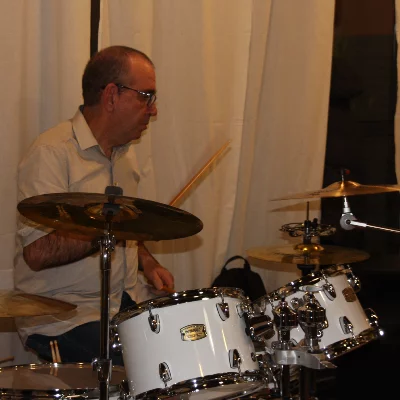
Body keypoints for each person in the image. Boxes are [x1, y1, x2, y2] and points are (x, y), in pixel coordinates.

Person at [14, 45, 174, 365]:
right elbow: (37, 252)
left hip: (120, 303)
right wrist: (109, 227)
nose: (153, 110)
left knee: (188, 343)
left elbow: (127, 229)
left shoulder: (125, 155)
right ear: (112, 95)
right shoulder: (52, 152)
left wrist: (148, 262)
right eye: (146, 96)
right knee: (146, 365)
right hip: (64, 315)